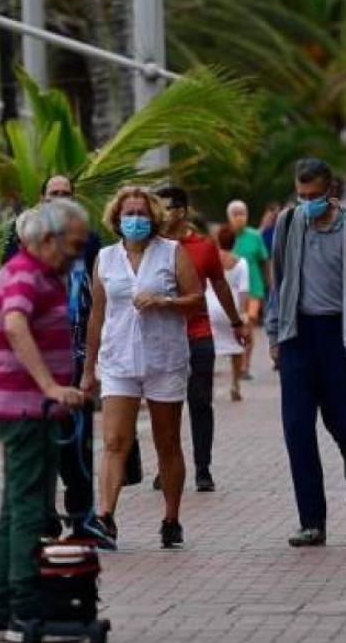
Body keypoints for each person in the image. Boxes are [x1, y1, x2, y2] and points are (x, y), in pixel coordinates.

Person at [0, 200, 90, 643]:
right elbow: (14, 324)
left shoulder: (40, 274)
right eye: (73, 245)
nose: (76, 255)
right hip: (26, 408)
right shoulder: (25, 272)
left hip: (29, 408)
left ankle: (0, 609)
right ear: (47, 239)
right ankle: (23, 609)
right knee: (29, 507)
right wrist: (48, 385)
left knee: (17, 506)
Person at [81, 187, 206, 550]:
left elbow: (196, 300)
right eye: (128, 213)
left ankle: (171, 517)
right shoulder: (105, 258)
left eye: (140, 213)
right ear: (116, 219)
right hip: (118, 358)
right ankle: (105, 517)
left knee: (167, 442)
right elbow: (98, 314)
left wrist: (165, 301)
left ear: (153, 217)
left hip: (163, 359)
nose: (134, 219)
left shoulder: (172, 253)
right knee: (115, 441)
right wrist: (89, 369)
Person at [267, 158, 346, 547]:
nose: (307, 203)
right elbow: (278, 281)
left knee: (344, 427)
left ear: (331, 191)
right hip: (298, 333)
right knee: (297, 430)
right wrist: (274, 335)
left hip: (340, 334)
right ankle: (312, 521)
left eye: (315, 196)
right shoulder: (288, 222)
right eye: (301, 195)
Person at [156, 186, 249, 492]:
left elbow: (220, 286)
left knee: (200, 403)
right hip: (162, 339)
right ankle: (166, 465)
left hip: (198, 335)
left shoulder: (203, 247)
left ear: (181, 211)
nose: (159, 214)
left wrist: (237, 321)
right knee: (165, 406)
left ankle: (202, 468)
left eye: (166, 207)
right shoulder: (149, 247)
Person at [228, 200, 272, 380]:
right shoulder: (226, 237)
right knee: (235, 328)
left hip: (254, 289)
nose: (239, 217)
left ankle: (245, 366)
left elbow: (265, 260)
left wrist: (269, 281)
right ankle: (236, 365)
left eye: (242, 213)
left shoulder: (255, 236)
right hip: (233, 291)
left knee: (248, 325)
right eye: (235, 213)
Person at [212, 225, 252, 401]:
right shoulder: (241, 263)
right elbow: (244, 290)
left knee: (209, 349)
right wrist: (242, 314)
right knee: (236, 348)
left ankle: (209, 386)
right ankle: (235, 384)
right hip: (232, 309)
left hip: (211, 309)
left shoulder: (211, 260)